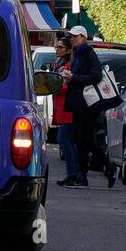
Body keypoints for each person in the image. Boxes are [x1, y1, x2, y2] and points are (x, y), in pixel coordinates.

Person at [59, 24, 104, 188]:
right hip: (78, 104)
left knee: (82, 140)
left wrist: (74, 77)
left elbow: (95, 76)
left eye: (75, 36)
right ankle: (80, 175)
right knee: (78, 140)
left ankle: (91, 172)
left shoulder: (88, 53)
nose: (72, 39)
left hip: (87, 104)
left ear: (84, 38)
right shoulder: (77, 54)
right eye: (71, 37)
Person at [51, 34, 82, 184]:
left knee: (63, 139)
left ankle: (73, 173)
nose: (57, 49)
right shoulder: (58, 63)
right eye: (56, 47)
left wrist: (54, 86)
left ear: (69, 50)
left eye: (61, 47)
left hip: (68, 107)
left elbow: (67, 85)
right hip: (62, 106)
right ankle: (76, 173)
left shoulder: (69, 65)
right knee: (68, 140)